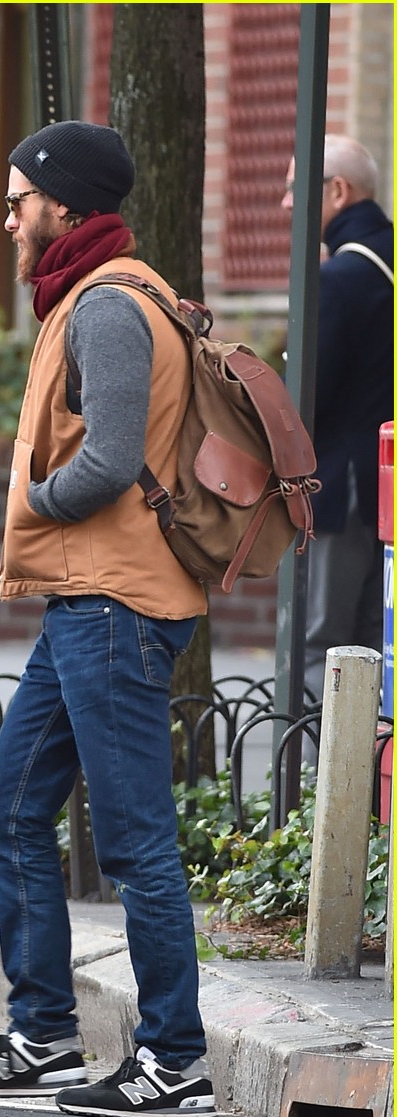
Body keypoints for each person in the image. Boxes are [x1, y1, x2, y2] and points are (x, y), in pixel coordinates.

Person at [0, 122, 216, 1117]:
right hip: (83, 605)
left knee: (137, 843)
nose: (8, 217)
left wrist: (32, 503)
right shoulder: (91, 296)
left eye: (20, 201)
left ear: (68, 208)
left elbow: (108, 459)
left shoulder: (105, 306)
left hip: (116, 604)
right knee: (9, 811)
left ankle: (175, 1055)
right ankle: (43, 1032)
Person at [281, 135, 394, 706]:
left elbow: (304, 399)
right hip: (388, 492)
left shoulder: (338, 280)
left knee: (320, 645)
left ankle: (318, 790)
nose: (284, 204)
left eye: (295, 188)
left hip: (344, 492)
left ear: (337, 192)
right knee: (381, 645)